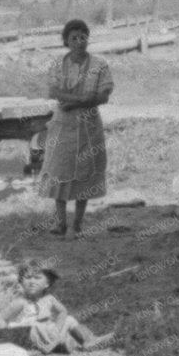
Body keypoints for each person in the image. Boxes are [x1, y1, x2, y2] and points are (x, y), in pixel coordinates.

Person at [40, 19, 113, 238]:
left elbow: (103, 96)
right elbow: (54, 91)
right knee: (58, 169)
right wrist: (80, 99)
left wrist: (79, 103)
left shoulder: (99, 65)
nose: (79, 42)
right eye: (74, 38)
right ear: (66, 41)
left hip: (88, 126)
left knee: (85, 172)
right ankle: (60, 222)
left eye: (83, 37)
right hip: (63, 125)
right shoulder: (57, 64)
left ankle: (77, 224)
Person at [0, 264, 113, 353]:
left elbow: (62, 311)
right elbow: (1, 318)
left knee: (70, 319)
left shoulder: (49, 299)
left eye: (37, 278)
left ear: (47, 284)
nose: (32, 282)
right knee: (36, 328)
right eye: (28, 278)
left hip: (49, 333)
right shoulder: (21, 302)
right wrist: (6, 335)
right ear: (21, 282)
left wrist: (57, 327)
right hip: (30, 336)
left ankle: (88, 340)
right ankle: (62, 345)